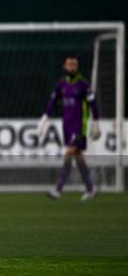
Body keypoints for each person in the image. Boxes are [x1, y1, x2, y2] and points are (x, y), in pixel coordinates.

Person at [38, 55, 101, 201]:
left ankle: (58, 190)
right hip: (67, 124)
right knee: (78, 158)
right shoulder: (61, 84)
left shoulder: (83, 84)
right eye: (70, 65)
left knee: (69, 153)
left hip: (80, 125)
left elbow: (93, 103)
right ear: (64, 66)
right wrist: (44, 118)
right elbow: (52, 102)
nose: (72, 67)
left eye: (74, 65)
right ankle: (90, 189)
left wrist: (96, 122)